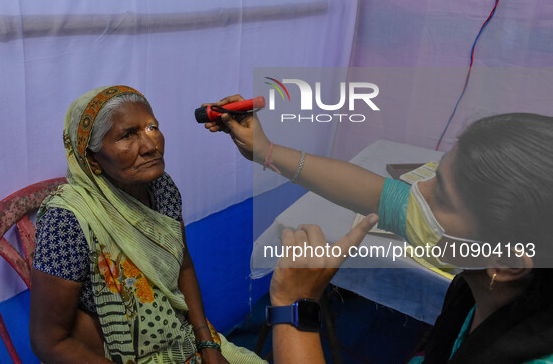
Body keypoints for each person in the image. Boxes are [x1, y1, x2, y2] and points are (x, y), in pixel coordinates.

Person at [205, 94, 553, 363]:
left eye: (443, 197)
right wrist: (267, 151)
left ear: (508, 262)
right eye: (435, 174)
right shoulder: (494, 284)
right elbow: (377, 193)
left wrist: (294, 305)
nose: (416, 190)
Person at [30, 86, 265, 364]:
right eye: (128, 135)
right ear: (92, 159)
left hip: (183, 337)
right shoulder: (67, 222)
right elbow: (49, 343)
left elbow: (182, 263)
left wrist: (207, 342)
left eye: (152, 127)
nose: (151, 145)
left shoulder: (161, 188)